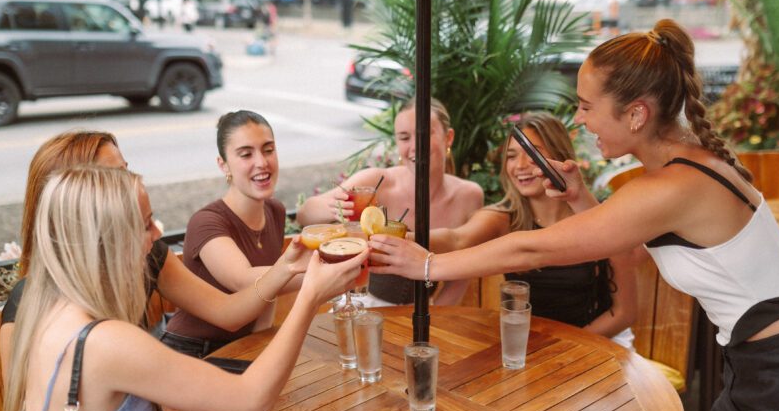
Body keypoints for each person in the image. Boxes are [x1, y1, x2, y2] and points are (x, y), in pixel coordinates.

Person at [370, 20, 779, 411]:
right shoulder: (675, 171)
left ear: (637, 113)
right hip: (762, 368)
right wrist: (580, 197)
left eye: (585, 106)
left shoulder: (670, 186)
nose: (580, 121)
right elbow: (639, 250)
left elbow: (531, 250)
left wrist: (428, 264)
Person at [3, 165, 364, 411]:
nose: (157, 233)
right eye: (145, 224)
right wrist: (310, 296)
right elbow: (254, 399)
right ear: (107, 240)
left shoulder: (48, 312)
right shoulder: (107, 342)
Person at [0, 131, 303, 371]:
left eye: (127, 170)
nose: (131, 183)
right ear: (76, 197)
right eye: (116, 177)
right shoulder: (30, 303)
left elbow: (228, 312)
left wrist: (291, 268)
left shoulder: (148, 254)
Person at [427, 112, 636, 348]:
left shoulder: (601, 218)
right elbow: (456, 239)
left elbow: (624, 314)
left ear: (559, 157)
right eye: (512, 156)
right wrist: (402, 237)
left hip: (599, 340)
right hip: (533, 344)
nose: (520, 166)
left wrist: (564, 346)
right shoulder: (505, 219)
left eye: (532, 153)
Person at [297, 97, 484, 306]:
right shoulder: (377, 183)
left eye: (424, 134)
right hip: (362, 307)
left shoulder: (470, 196)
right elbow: (304, 213)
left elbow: (459, 278)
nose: (415, 146)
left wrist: (433, 323)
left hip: (425, 314)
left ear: (448, 138)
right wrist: (332, 207)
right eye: (404, 138)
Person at [162, 111, 301, 356]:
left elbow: (268, 295)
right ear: (223, 164)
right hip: (193, 351)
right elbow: (244, 280)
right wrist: (321, 268)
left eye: (268, 150)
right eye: (246, 154)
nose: (262, 162)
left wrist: (261, 347)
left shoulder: (275, 210)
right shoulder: (206, 221)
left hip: (244, 345)